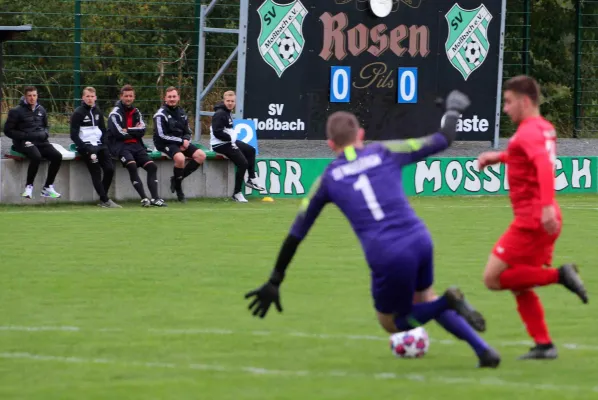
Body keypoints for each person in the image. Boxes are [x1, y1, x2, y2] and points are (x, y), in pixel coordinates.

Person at [244, 91, 501, 368]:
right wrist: (452, 111)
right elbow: (443, 139)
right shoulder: (385, 151)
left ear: (331, 144)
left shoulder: (328, 179)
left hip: (387, 253)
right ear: (361, 134)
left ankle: (449, 302)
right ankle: (484, 351)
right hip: (419, 238)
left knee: (392, 322)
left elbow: (296, 234)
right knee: (426, 297)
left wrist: (275, 279)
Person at [477, 75, 588, 360]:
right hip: (540, 218)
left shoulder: (528, 132)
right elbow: (528, 156)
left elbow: (541, 164)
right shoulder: (542, 128)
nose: (505, 108)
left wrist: (547, 205)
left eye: (509, 101)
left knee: (493, 278)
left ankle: (560, 275)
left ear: (525, 101)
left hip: (533, 220)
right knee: (519, 283)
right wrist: (498, 157)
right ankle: (544, 344)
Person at [107, 85, 166, 207]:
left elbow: (143, 130)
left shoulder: (137, 111)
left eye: (130, 96)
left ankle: (155, 198)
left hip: (137, 146)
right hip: (121, 147)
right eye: (126, 96)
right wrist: (134, 132)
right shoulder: (114, 113)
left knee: (152, 167)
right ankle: (144, 198)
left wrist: (128, 130)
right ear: (121, 96)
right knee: (132, 166)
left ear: (134, 97)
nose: (128, 98)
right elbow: (118, 133)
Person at [3, 86, 62, 199]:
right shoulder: (16, 111)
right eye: (29, 96)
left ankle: (48, 187)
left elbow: (45, 126)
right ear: (25, 96)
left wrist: (45, 134)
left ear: (37, 96)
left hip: (41, 141)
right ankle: (28, 187)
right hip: (24, 142)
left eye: (34, 95)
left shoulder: (41, 109)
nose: (32, 98)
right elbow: (8, 130)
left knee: (57, 156)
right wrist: (25, 136)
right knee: (36, 156)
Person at [210, 90, 265, 203]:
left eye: (232, 101)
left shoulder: (227, 112)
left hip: (228, 142)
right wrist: (231, 138)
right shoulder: (220, 113)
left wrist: (231, 138)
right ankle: (237, 193)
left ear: (235, 102)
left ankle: (251, 178)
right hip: (219, 144)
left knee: (251, 150)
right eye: (228, 101)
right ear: (224, 101)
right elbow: (217, 132)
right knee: (243, 163)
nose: (230, 103)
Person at [153, 86, 206, 203]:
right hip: (165, 143)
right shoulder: (160, 114)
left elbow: (188, 131)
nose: (172, 99)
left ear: (178, 98)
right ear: (165, 98)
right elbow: (161, 135)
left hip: (180, 143)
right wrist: (181, 142)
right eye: (169, 97)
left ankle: (176, 180)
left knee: (201, 155)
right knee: (180, 158)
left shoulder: (182, 112)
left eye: (174, 96)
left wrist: (186, 140)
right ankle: (179, 191)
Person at [70, 86, 120, 208]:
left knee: (109, 169)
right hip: (87, 147)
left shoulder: (98, 111)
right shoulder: (78, 113)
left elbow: (103, 130)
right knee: (96, 171)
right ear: (83, 98)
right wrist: (84, 147)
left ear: (95, 98)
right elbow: (73, 134)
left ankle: (103, 198)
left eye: (92, 96)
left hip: (99, 145)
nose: (90, 99)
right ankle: (105, 200)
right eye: (87, 96)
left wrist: (103, 144)